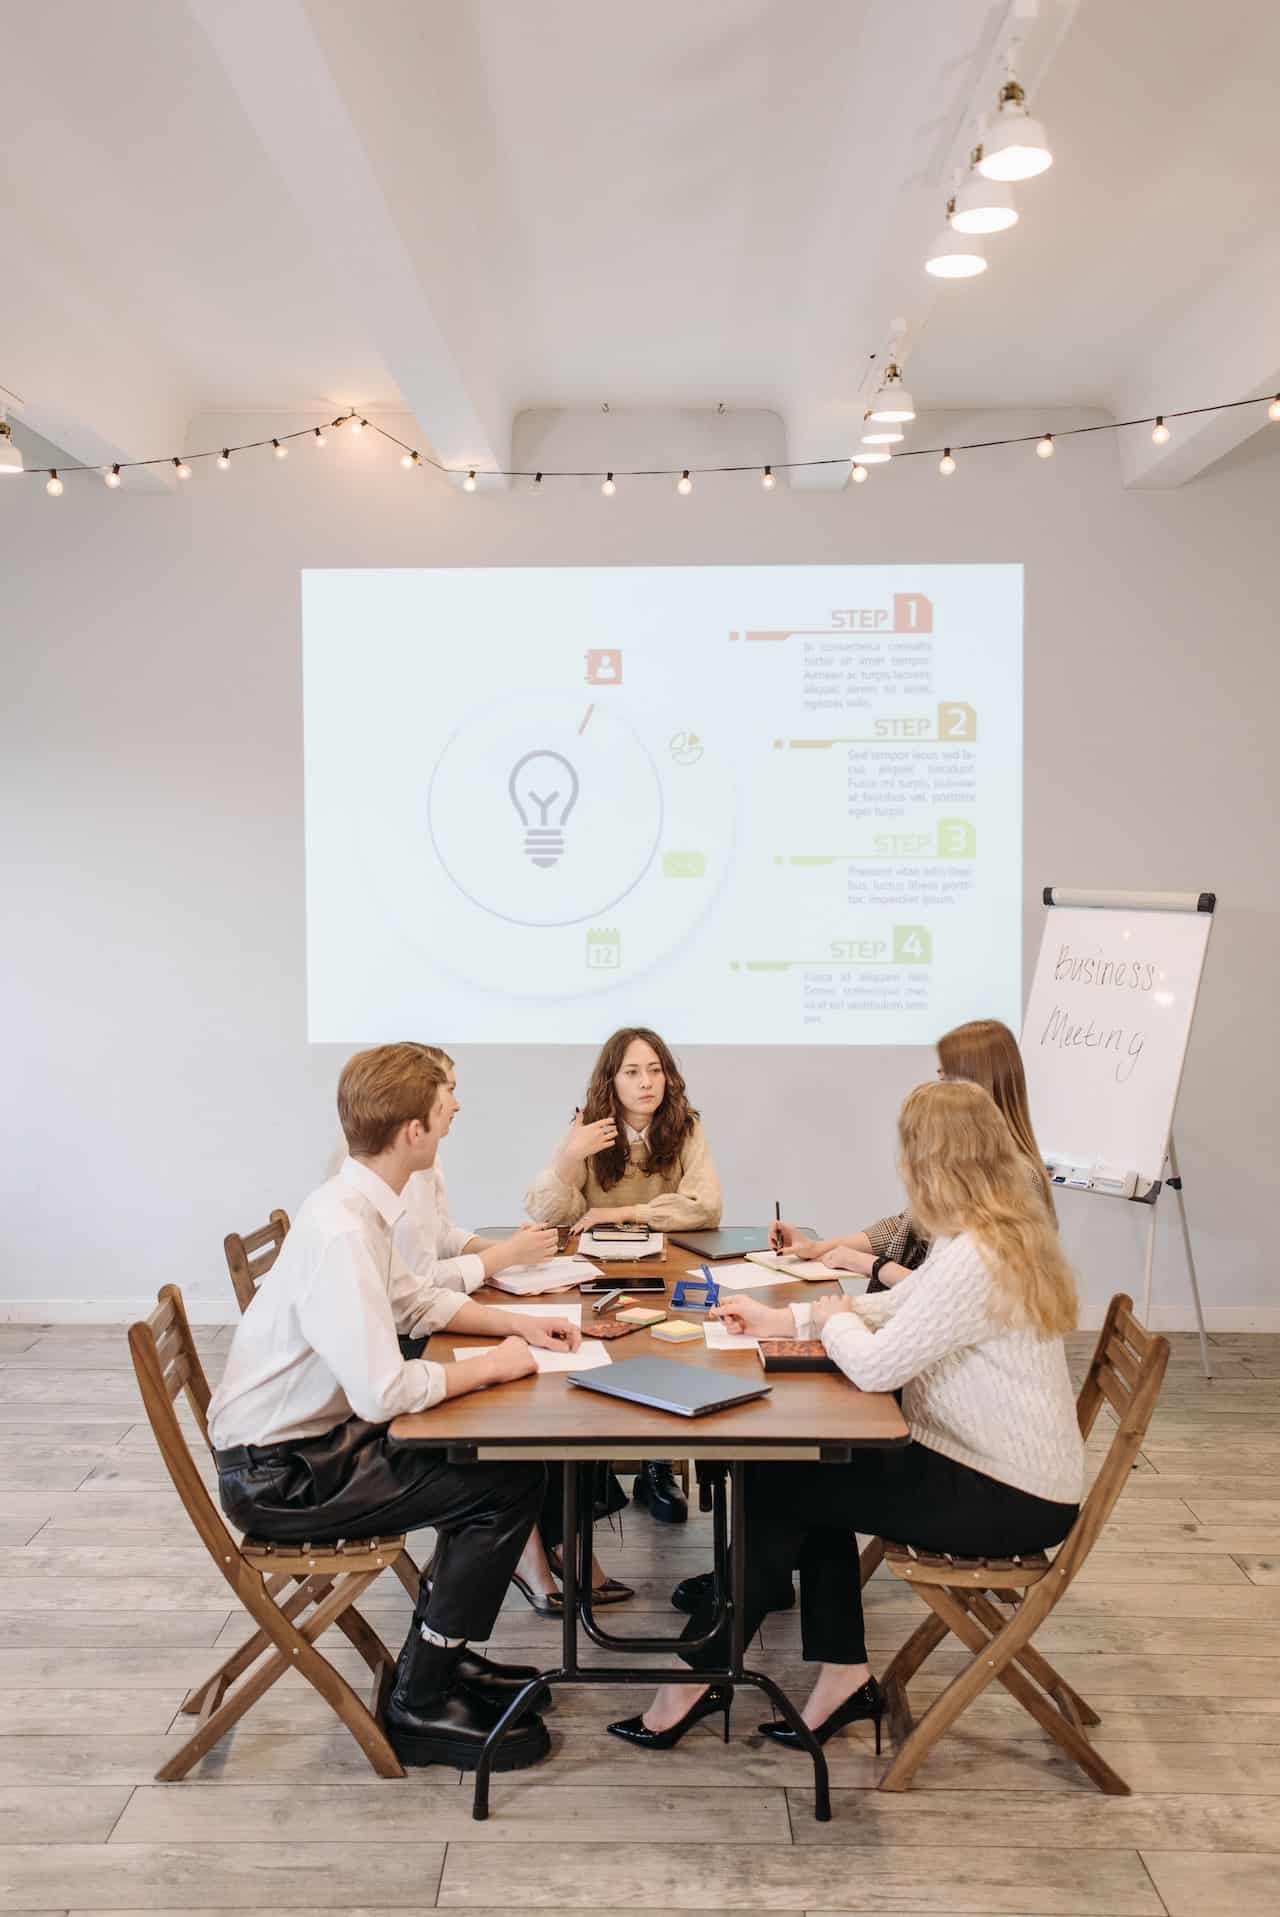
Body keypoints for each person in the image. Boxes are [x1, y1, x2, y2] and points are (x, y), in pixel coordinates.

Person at [610, 1077, 1082, 1753]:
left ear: (931, 1161)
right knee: (798, 1473)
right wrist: (787, 1319)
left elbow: (876, 1367)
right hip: (993, 1470)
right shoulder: (986, 1234)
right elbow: (900, 1307)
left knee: (782, 1484)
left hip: (1007, 1495)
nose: (900, 1164)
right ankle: (836, 1675)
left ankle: (702, 1674)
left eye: (907, 1150)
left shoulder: (977, 1255)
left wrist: (830, 1322)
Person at [208, 1042, 584, 1774]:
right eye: (445, 1107)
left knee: (490, 1466)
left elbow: (413, 1301)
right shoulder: (345, 1230)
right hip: (281, 1477)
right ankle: (419, 1698)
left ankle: (441, 1656)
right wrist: (493, 1365)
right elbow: (384, 1392)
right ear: (413, 1131)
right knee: (506, 1482)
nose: (455, 1110)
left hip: (312, 1447)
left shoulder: (355, 1204)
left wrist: (520, 1326)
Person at [525, 1026, 722, 1526]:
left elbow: (706, 1206)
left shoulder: (685, 1127)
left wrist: (626, 1212)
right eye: (632, 1072)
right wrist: (569, 1156)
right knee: (595, 1357)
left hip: (665, 1272)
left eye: (655, 1070)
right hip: (594, 1273)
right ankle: (592, 1470)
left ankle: (658, 1467)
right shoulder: (590, 1127)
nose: (646, 1082)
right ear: (611, 1080)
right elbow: (550, 1212)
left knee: (671, 1354)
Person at [771, 1019, 1054, 1290]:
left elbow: (958, 1294)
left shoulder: (1018, 1178)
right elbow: (906, 1225)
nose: (936, 1089)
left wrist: (871, 1265)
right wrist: (817, 1248)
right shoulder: (967, 1163)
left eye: (945, 1078)